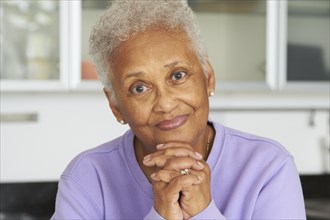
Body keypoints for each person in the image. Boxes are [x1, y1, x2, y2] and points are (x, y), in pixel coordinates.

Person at [51, 1, 306, 219]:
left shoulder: (268, 167)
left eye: (178, 75)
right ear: (115, 105)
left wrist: (203, 211)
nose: (165, 103)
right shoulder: (86, 177)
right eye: (139, 88)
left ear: (208, 78)